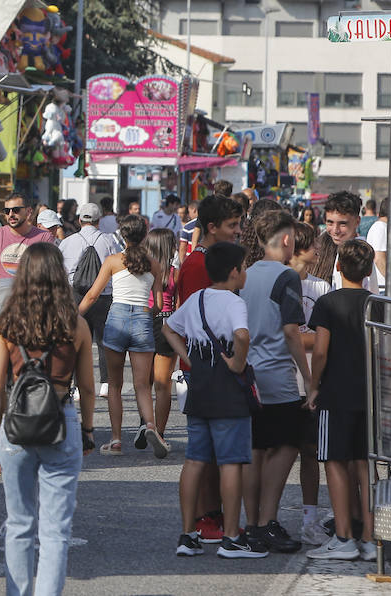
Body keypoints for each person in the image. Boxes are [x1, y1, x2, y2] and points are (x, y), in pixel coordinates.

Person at [0, 243, 97, 596]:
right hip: (61, 421)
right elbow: (89, 389)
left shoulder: (8, 325)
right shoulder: (75, 325)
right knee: (56, 530)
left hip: (16, 425)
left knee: (18, 523)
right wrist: (89, 431)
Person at [162, 241, 268, 560]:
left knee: (195, 459)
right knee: (230, 462)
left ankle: (188, 534)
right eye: (244, 267)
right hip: (227, 390)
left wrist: (188, 359)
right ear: (234, 272)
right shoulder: (234, 302)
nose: (245, 272)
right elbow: (242, 336)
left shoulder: (196, 298)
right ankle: (232, 537)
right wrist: (237, 362)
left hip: (200, 386)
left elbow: (168, 327)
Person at [238, 210, 310, 555]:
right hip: (277, 374)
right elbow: (292, 332)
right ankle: (268, 521)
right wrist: (309, 380)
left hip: (247, 375)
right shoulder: (287, 276)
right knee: (288, 444)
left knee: (255, 449)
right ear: (285, 239)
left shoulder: (245, 274)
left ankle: (252, 525)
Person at [306, 239, 377, 562]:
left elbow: (320, 351)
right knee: (365, 463)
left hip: (335, 392)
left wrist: (313, 385)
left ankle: (343, 535)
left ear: (338, 266)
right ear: (369, 270)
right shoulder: (378, 304)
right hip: (370, 394)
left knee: (334, 460)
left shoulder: (329, 303)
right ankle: (370, 536)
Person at [78, 214, 167, 457]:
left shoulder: (112, 261)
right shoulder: (154, 263)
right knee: (141, 385)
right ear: (145, 235)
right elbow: (158, 304)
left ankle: (116, 440)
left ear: (122, 235)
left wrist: (75, 316)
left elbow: (93, 295)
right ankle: (150, 426)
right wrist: (146, 313)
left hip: (116, 318)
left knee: (115, 385)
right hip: (142, 319)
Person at [291, 222, 332, 545]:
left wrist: (298, 339)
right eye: (314, 245)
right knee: (273, 452)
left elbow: (324, 340)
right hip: (279, 379)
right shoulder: (280, 283)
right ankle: (265, 519)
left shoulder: (321, 288)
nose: (319, 251)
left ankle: (310, 517)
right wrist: (307, 339)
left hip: (312, 381)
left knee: (309, 451)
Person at [59, 202, 122, 394]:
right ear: (99, 220)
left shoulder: (67, 242)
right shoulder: (110, 240)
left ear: (79, 220)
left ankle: (77, 386)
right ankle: (105, 383)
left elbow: (60, 270)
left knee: (77, 340)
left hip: (76, 295)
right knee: (104, 341)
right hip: (103, 294)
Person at [0, 192, 55, 295]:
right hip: (1, 298)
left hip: (32, 298)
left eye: (16, 210)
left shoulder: (44, 237)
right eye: (7, 211)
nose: (11, 215)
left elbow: (51, 271)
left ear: (28, 211)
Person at [144, 227, 180, 438]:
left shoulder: (142, 271)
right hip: (167, 321)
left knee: (143, 382)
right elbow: (179, 303)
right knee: (163, 385)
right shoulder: (175, 273)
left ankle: (145, 424)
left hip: (145, 320)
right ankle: (159, 432)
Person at [322, 191, 376, 291]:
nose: (335, 230)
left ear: (357, 222)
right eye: (330, 223)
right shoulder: (327, 245)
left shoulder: (360, 253)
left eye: (342, 224)